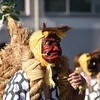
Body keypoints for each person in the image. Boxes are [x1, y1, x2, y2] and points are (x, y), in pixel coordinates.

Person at [0, 16, 86, 100]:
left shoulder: (57, 77)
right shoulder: (22, 77)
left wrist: (81, 86)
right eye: (49, 43)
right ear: (37, 47)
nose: (56, 48)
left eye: (58, 44)